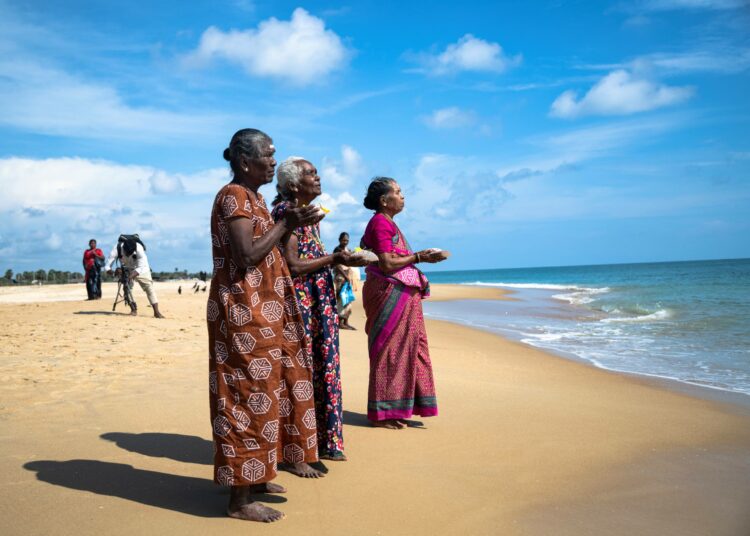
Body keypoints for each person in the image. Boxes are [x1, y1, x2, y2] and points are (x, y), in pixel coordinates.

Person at [208, 129, 325, 523]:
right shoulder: (233, 197)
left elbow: (269, 247)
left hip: (265, 310)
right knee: (245, 393)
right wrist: (285, 223)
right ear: (245, 162)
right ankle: (238, 501)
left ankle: (257, 477)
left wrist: (289, 224)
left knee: (272, 390)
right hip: (243, 311)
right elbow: (245, 256)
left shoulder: (255, 198)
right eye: (268, 155)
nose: (274, 162)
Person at [271, 157, 366, 462]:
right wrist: (335, 259)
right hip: (302, 305)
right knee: (304, 372)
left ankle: (320, 442)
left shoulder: (309, 216)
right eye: (311, 174)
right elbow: (294, 265)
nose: (319, 177)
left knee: (320, 369)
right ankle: (300, 447)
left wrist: (336, 259)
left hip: (317, 302)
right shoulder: (288, 213)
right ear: (294, 185)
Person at [359, 177, 447, 429]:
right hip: (389, 292)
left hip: (402, 294)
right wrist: (419, 257)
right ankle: (383, 413)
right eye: (398, 192)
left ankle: (400, 408)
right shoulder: (379, 223)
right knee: (391, 351)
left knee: (410, 349)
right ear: (384, 201)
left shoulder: (388, 223)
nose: (403, 196)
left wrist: (419, 258)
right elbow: (386, 263)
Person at [104, 234, 165, 318]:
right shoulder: (116, 249)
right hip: (126, 269)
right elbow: (107, 267)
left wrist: (130, 277)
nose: (128, 255)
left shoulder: (139, 249)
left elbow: (140, 268)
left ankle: (156, 312)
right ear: (123, 248)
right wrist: (115, 273)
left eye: (131, 253)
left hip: (142, 268)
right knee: (127, 289)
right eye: (127, 253)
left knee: (149, 288)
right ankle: (133, 310)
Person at [332, 232, 357, 330]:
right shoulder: (337, 250)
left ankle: (346, 321)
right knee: (340, 299)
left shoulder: (348, 250)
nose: (345, 242)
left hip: (347, 276)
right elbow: (337, 265)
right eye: (344, 240)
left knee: (348, 299)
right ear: (339, 240)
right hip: (340, 276)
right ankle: (340, 322)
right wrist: (345, 276)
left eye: (347, 240)